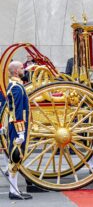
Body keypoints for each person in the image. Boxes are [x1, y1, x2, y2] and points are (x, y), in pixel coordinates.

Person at [6, 61, 32, 200]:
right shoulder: (16, 87)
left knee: (17, 157)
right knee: (15, 157)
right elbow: (17, 111)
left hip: (17, 126)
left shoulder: (17, 85)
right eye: (22, 68)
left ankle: (15, 189)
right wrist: (21, 131)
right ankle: (13, 190)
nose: (24, 69)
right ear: (16, 71)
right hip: (17, 126)